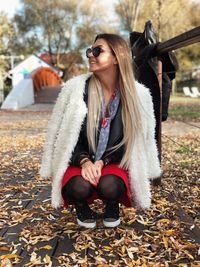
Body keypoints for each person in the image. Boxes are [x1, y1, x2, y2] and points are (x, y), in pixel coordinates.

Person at [39, 33, 161, 229]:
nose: (90, 55)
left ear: (116, 58)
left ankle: (112, 205)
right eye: (89, 50)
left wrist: (103, 162)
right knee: (78, 188)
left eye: (98, 50)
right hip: (79, 159)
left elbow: (133, 141)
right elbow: (66, 136)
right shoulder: (76, 90)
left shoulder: (137, 95)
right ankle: (81, 206)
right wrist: (85, 161)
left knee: (110, 187)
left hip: (114, 159)